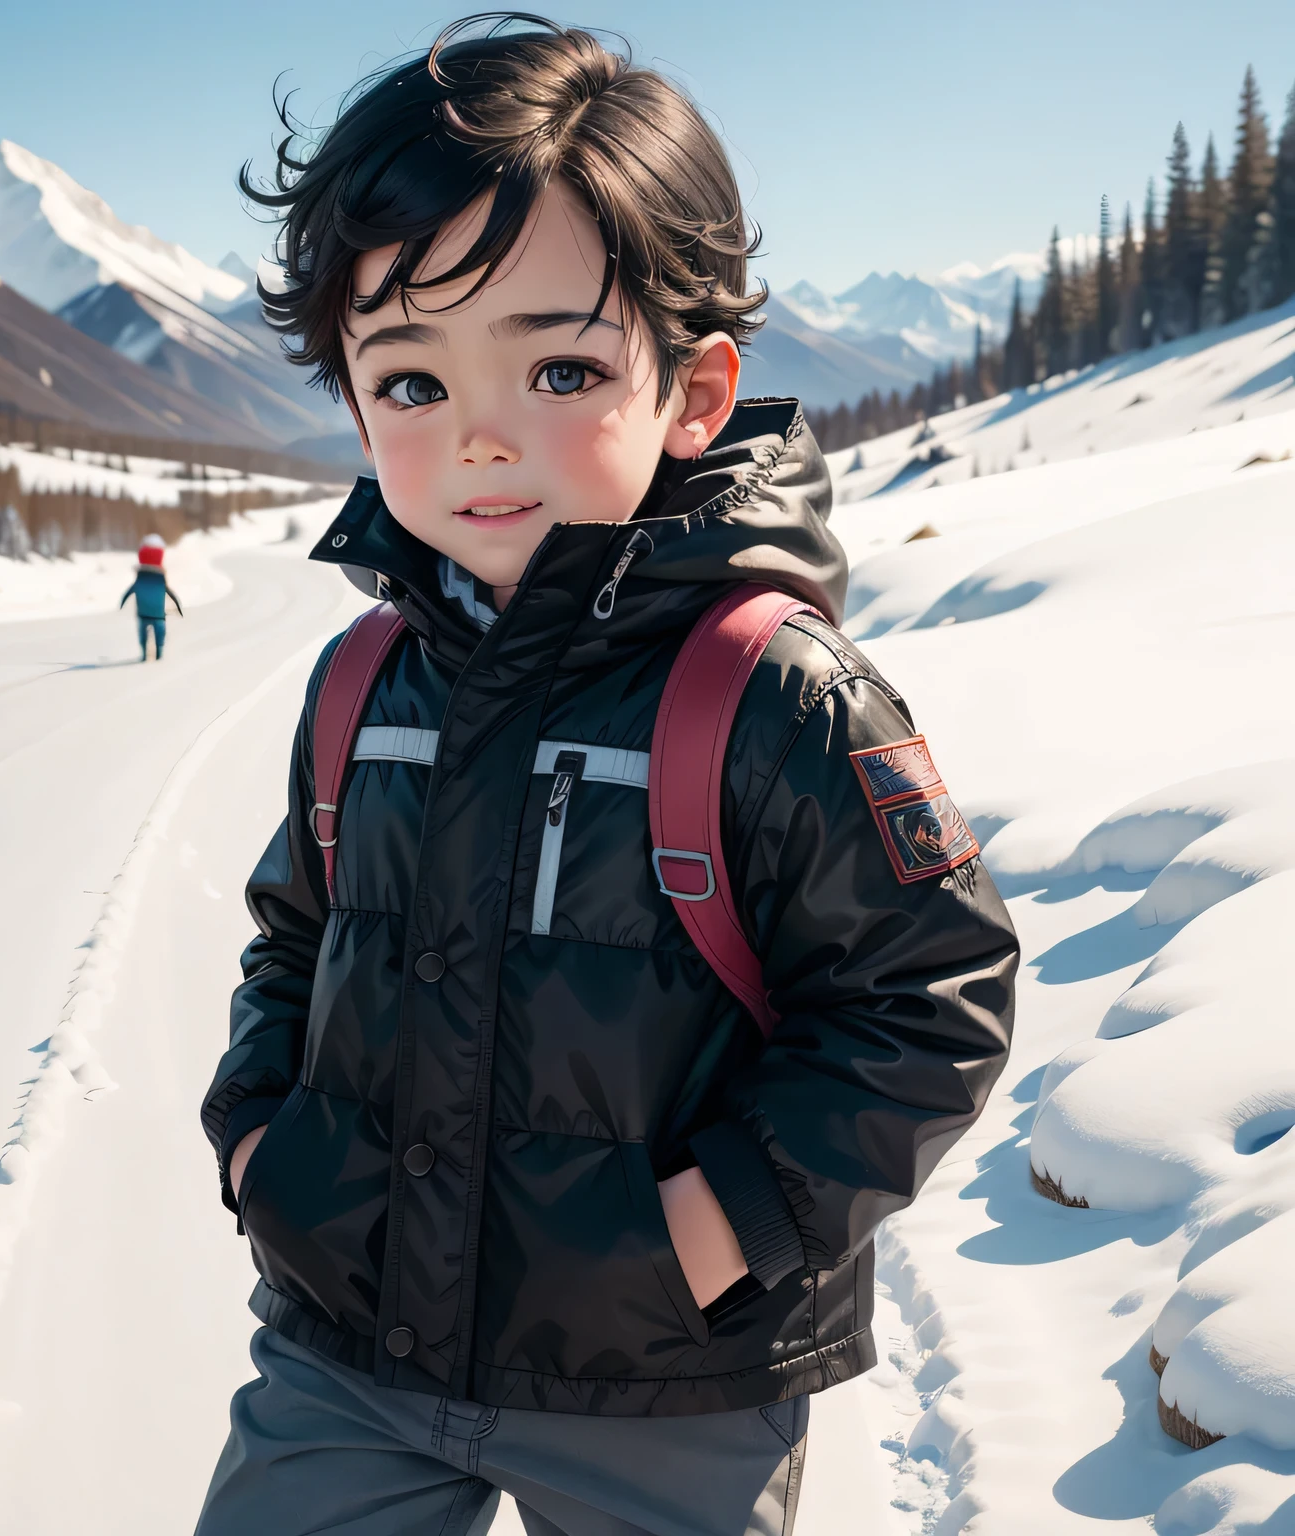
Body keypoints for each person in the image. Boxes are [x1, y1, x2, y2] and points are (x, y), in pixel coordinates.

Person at [197, 17, 1019, 1536]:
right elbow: (294, 938)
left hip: (666, 1384)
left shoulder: (769, 693)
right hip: (351, 1348)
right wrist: (261, 1143)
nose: (483, 437)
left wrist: (715, 1229)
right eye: (412, 381)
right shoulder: (366, 681)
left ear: (694, 394)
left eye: (562, 364)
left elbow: (933, 994)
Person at [118, 533, 183, 660]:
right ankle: (158, 653)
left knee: (143, 634)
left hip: (143, 614)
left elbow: (128, 592)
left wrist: (122, 603)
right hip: (158, 615)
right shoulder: (160, 578)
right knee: (159, 634)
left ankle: (144, 654)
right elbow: (171, 594)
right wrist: (179, 608)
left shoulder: (140, 578)